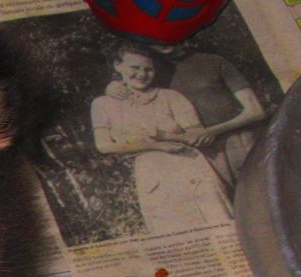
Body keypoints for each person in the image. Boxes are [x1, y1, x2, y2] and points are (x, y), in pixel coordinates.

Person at [90, 43, 232, 236]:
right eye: (135, 68)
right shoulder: (102, 104)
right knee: (176, 234)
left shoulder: (171, 96)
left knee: (220, 226)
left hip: (191, 167)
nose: (142, 74)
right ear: (118, 65)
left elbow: (197, 135)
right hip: (152, 175)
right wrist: (155, 145)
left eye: (148, 69)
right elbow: (104, 146)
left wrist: (167, 136)